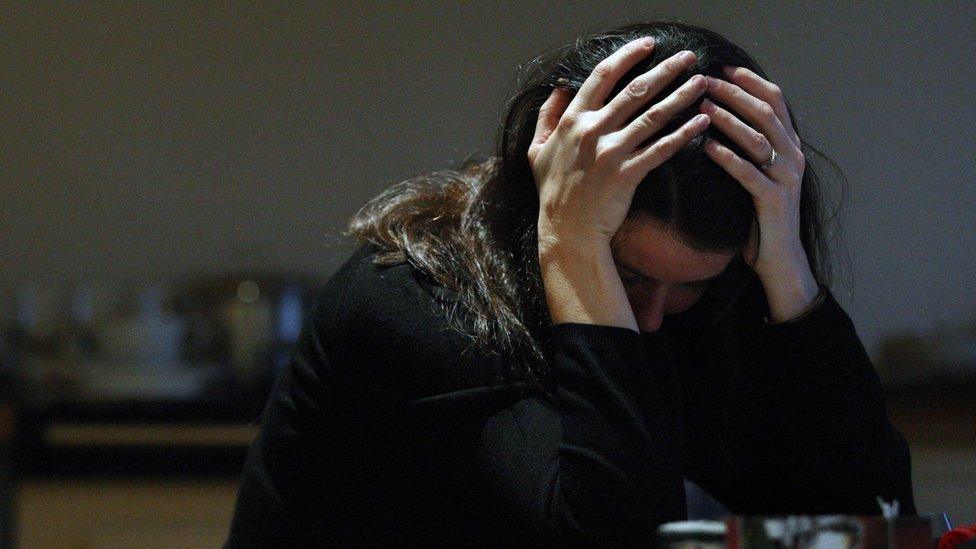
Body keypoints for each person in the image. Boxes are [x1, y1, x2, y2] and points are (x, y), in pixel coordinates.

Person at [224, 20, 916, 546]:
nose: (651, 318)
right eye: (628, 275)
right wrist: (574, 245)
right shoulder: (413, 300)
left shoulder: (707, 300)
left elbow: (875, 519)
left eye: (688, 288)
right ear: (547, 210)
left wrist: (786, 267)